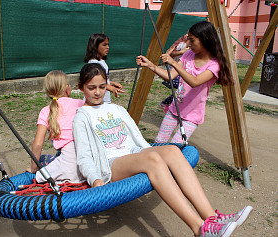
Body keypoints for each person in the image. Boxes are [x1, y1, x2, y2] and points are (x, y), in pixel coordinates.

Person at [72, 63, 252, 237]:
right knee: (153, 160)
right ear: (81, 87)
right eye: (91, 87)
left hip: (134, 153)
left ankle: (212, 218)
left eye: (102, 87)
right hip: (111, 164)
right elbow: (84, 155)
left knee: (173, 151)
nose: (97, 92)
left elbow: (137, 138)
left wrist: (151, 150)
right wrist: (95, 179)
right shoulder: (82, 117)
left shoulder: (115, 108)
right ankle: (199, 228)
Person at [137, 21, 233, 143]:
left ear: (205, 39)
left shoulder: (214, 65)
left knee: (175, 146)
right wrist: (150, 65)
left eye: (192, 40)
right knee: (159, 141)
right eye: (188, 40)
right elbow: (170, 76)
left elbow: (195, 82)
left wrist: (173, 62)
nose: (188, 44)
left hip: (192, 117)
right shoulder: (188, 55)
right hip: (175, 109)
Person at [26, 70, 85, 184]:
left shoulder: (45, 111)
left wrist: (33, 169)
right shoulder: (80, 104)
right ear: (67, 88)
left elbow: (38, 144)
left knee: (43, 159)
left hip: (69, 165)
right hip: (88, 162)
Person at [84, 33, 124, 103]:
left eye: (108, 44)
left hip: (103, 100)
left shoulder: (101, 61)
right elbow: (96, 82)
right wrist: (112, 89)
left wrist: (112, 83)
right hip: (96, 101)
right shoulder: (94, 63)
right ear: (95, 46)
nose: (107, 47)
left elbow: (101, 80)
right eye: (104, 45)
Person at [161, 34, 189, 113]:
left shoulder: (193, 47)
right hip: (173, 70)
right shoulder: (181, 44)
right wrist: (182, 52)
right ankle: (166, 102)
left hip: (181, 71)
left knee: (184, 90)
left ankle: (170, 103)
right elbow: (169, 53)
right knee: (183, 88)